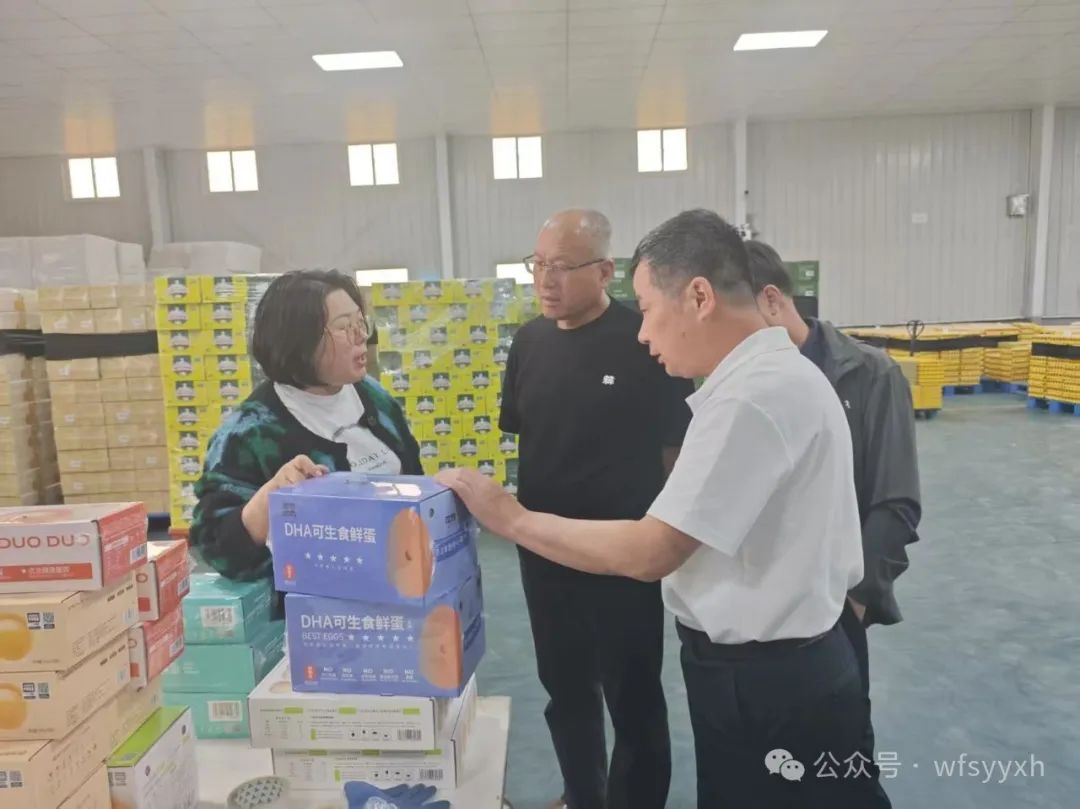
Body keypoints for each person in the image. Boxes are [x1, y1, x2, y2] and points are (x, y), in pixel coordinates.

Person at [438, 210, 878, 809]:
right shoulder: (767, 380)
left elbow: (654, 550)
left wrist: (510, 518)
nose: (643, 333)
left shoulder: (753, 399)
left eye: (647, 309)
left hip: (771, 679)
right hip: (774, 664)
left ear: (698, 297)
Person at [500, 209, 694, 809]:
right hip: (545, 555)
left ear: (606, 271)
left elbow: (675, 452)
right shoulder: (528, 344)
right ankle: (583, 794)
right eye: (538, 265)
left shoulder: (645, 341)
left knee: (633, 697)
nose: (545, 279)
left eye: (561, 266)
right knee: (565, 691)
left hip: (623, 556)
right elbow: (527, 435)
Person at [748, 239, 921, 806]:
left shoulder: (869, 374)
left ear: (772, 301)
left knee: (841, 767)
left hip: (835, 613)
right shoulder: (741, 379)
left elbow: (895, 503)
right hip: (761, 615)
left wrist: (853, 601)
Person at [191, 269, 421, 587]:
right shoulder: (249, 432)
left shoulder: (374, 398)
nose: (361, 336)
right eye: (344, 327)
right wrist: (271, 496)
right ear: (300, 341)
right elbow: (216, 546)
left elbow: (415, 483)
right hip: (315, 608)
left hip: (397, 589)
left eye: (360, 322)